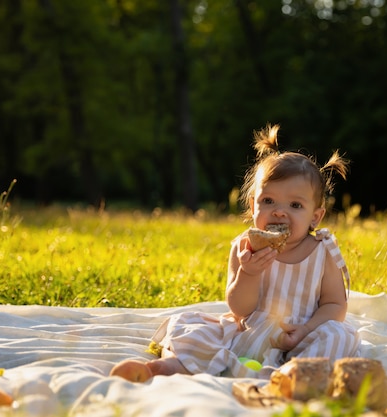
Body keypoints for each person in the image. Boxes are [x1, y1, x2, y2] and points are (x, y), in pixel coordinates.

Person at [110, 124, 360, 382]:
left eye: (295, 205)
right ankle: (164, 368)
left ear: (315, 217)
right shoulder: (245, 247)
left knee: (339, 335)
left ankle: (294, 378)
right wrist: (248, 272)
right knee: (190, 325)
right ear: (252, 207)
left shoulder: (322, 251)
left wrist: (306, 329)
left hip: (298, 338)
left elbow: (335, 305)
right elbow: (239, 308)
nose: (279, 212)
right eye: (268, 201)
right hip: (246, 332)